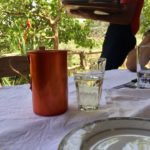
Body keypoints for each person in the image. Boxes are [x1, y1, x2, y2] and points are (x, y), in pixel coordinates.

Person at [70, 0, 144, 70]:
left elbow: (126, 18)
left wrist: (93, 15)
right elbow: (118, 9)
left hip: (122, 35)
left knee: (105, 71)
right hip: (116, 32)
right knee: (103, 69)